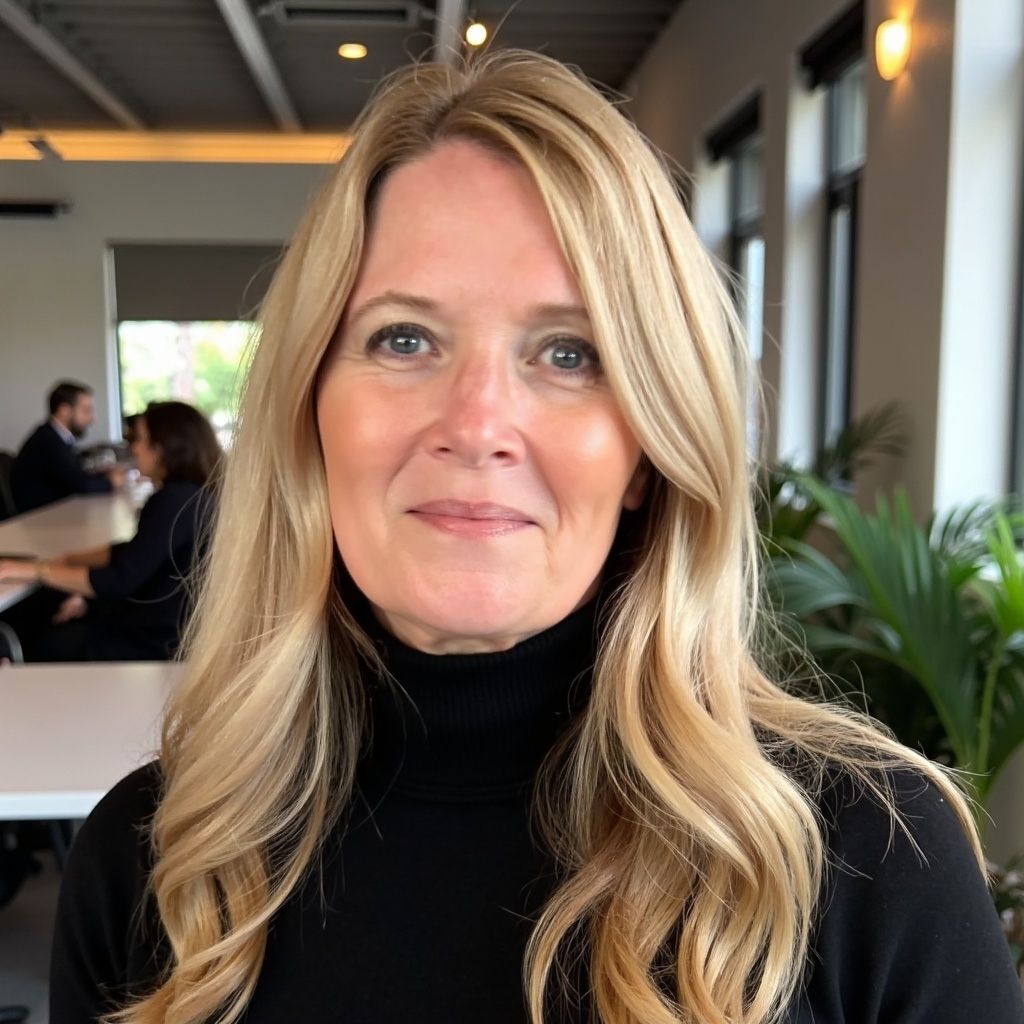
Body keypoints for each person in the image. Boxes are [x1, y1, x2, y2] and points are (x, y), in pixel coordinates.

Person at [46, 52, 1022, 1024]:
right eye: (403, 339)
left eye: (569, 353)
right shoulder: (153, 864)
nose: (475, 423)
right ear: (308, 413)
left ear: (647, 447)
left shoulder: (869, 854)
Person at [0, 401, 219, 661]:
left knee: (37, 636)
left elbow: (119, 579)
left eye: (140, 440)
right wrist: (69, 560)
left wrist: (36, 571)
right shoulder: (192, 494)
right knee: (49, 604)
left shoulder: (174, 501)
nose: (134, 448)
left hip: (150, 641)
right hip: (167, 627)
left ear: (164, 447)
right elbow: (135, 553)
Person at [10, 381, 126, 513]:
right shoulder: (48, 441)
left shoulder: (55, 437)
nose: (93, 418)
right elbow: (81, 485)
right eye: (86, 410)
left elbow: (72, 475)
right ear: (64, 411)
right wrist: (112, 482)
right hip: (42, 522)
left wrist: (102, 474)